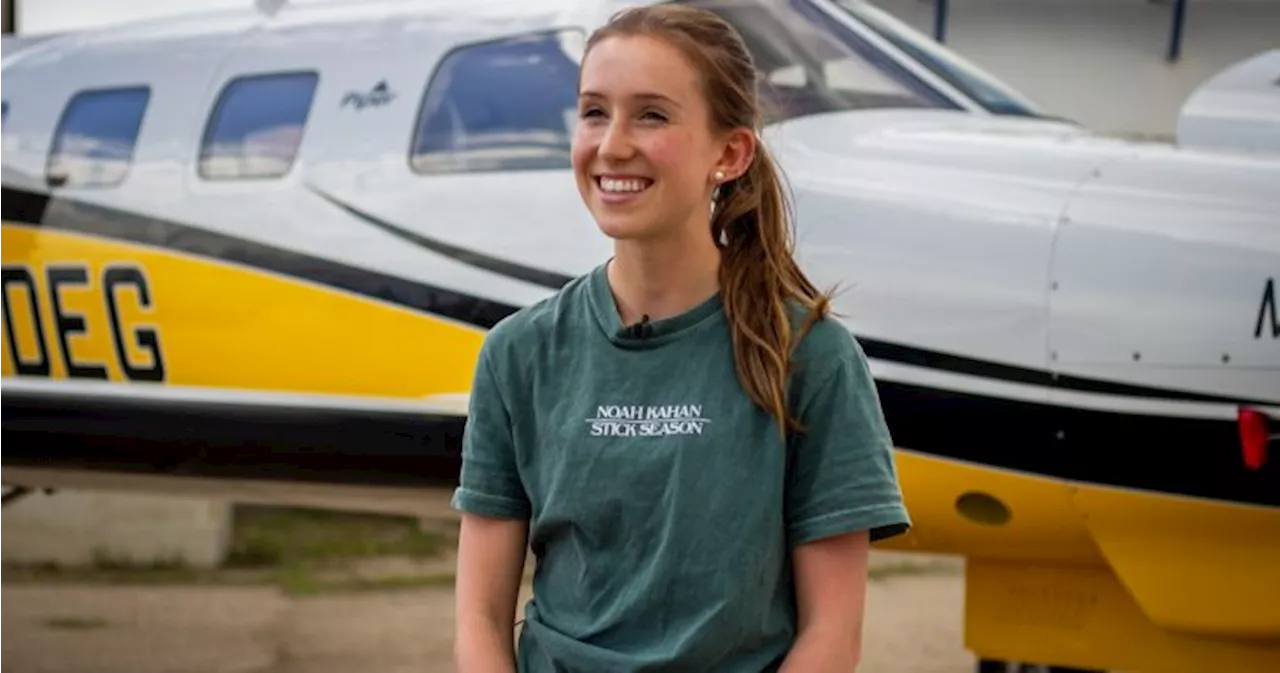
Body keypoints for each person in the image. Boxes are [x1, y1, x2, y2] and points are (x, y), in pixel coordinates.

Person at [452, 4, 911, 672]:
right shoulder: (517, 354)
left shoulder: (810, 357)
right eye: (593, 111)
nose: (611, 144)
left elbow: (832, 636)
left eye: (652, 114)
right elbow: (478, 618)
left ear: (729, 153)